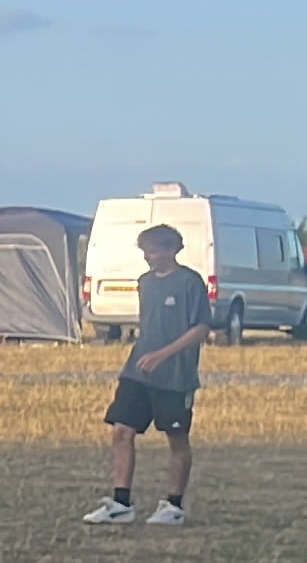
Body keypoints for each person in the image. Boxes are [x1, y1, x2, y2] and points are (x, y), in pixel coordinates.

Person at [85, 223, 215, 526]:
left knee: (176, 439)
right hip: (137, 370)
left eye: (154, 251)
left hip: (175, 375)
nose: (148, 257)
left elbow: (200, 328)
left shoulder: (189, 282)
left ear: (172, 250)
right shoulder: (145, 282)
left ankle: (173, 506)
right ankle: (121, 503)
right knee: (121, 431)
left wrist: (163, 354)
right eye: (145, 251)